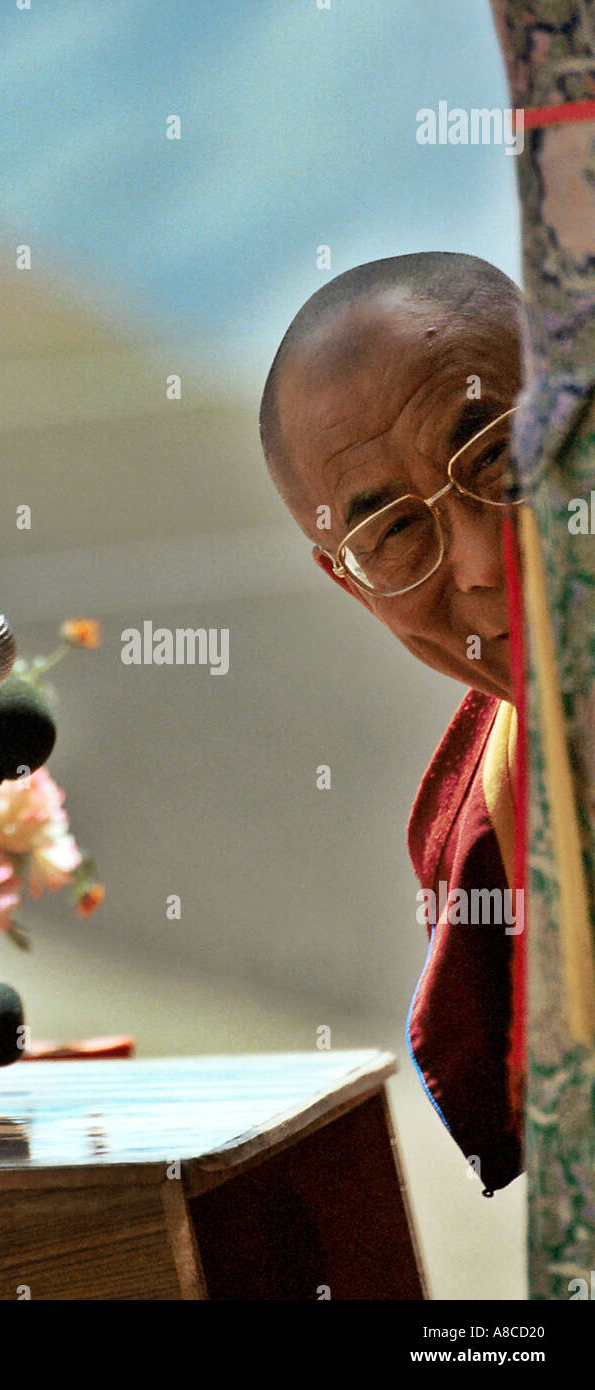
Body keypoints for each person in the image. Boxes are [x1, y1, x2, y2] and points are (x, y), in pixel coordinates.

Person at [259, 251, 525, 1193]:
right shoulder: (492, 829)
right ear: (353, 586)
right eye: (397, 531)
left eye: (501, 454)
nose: (485, 563)